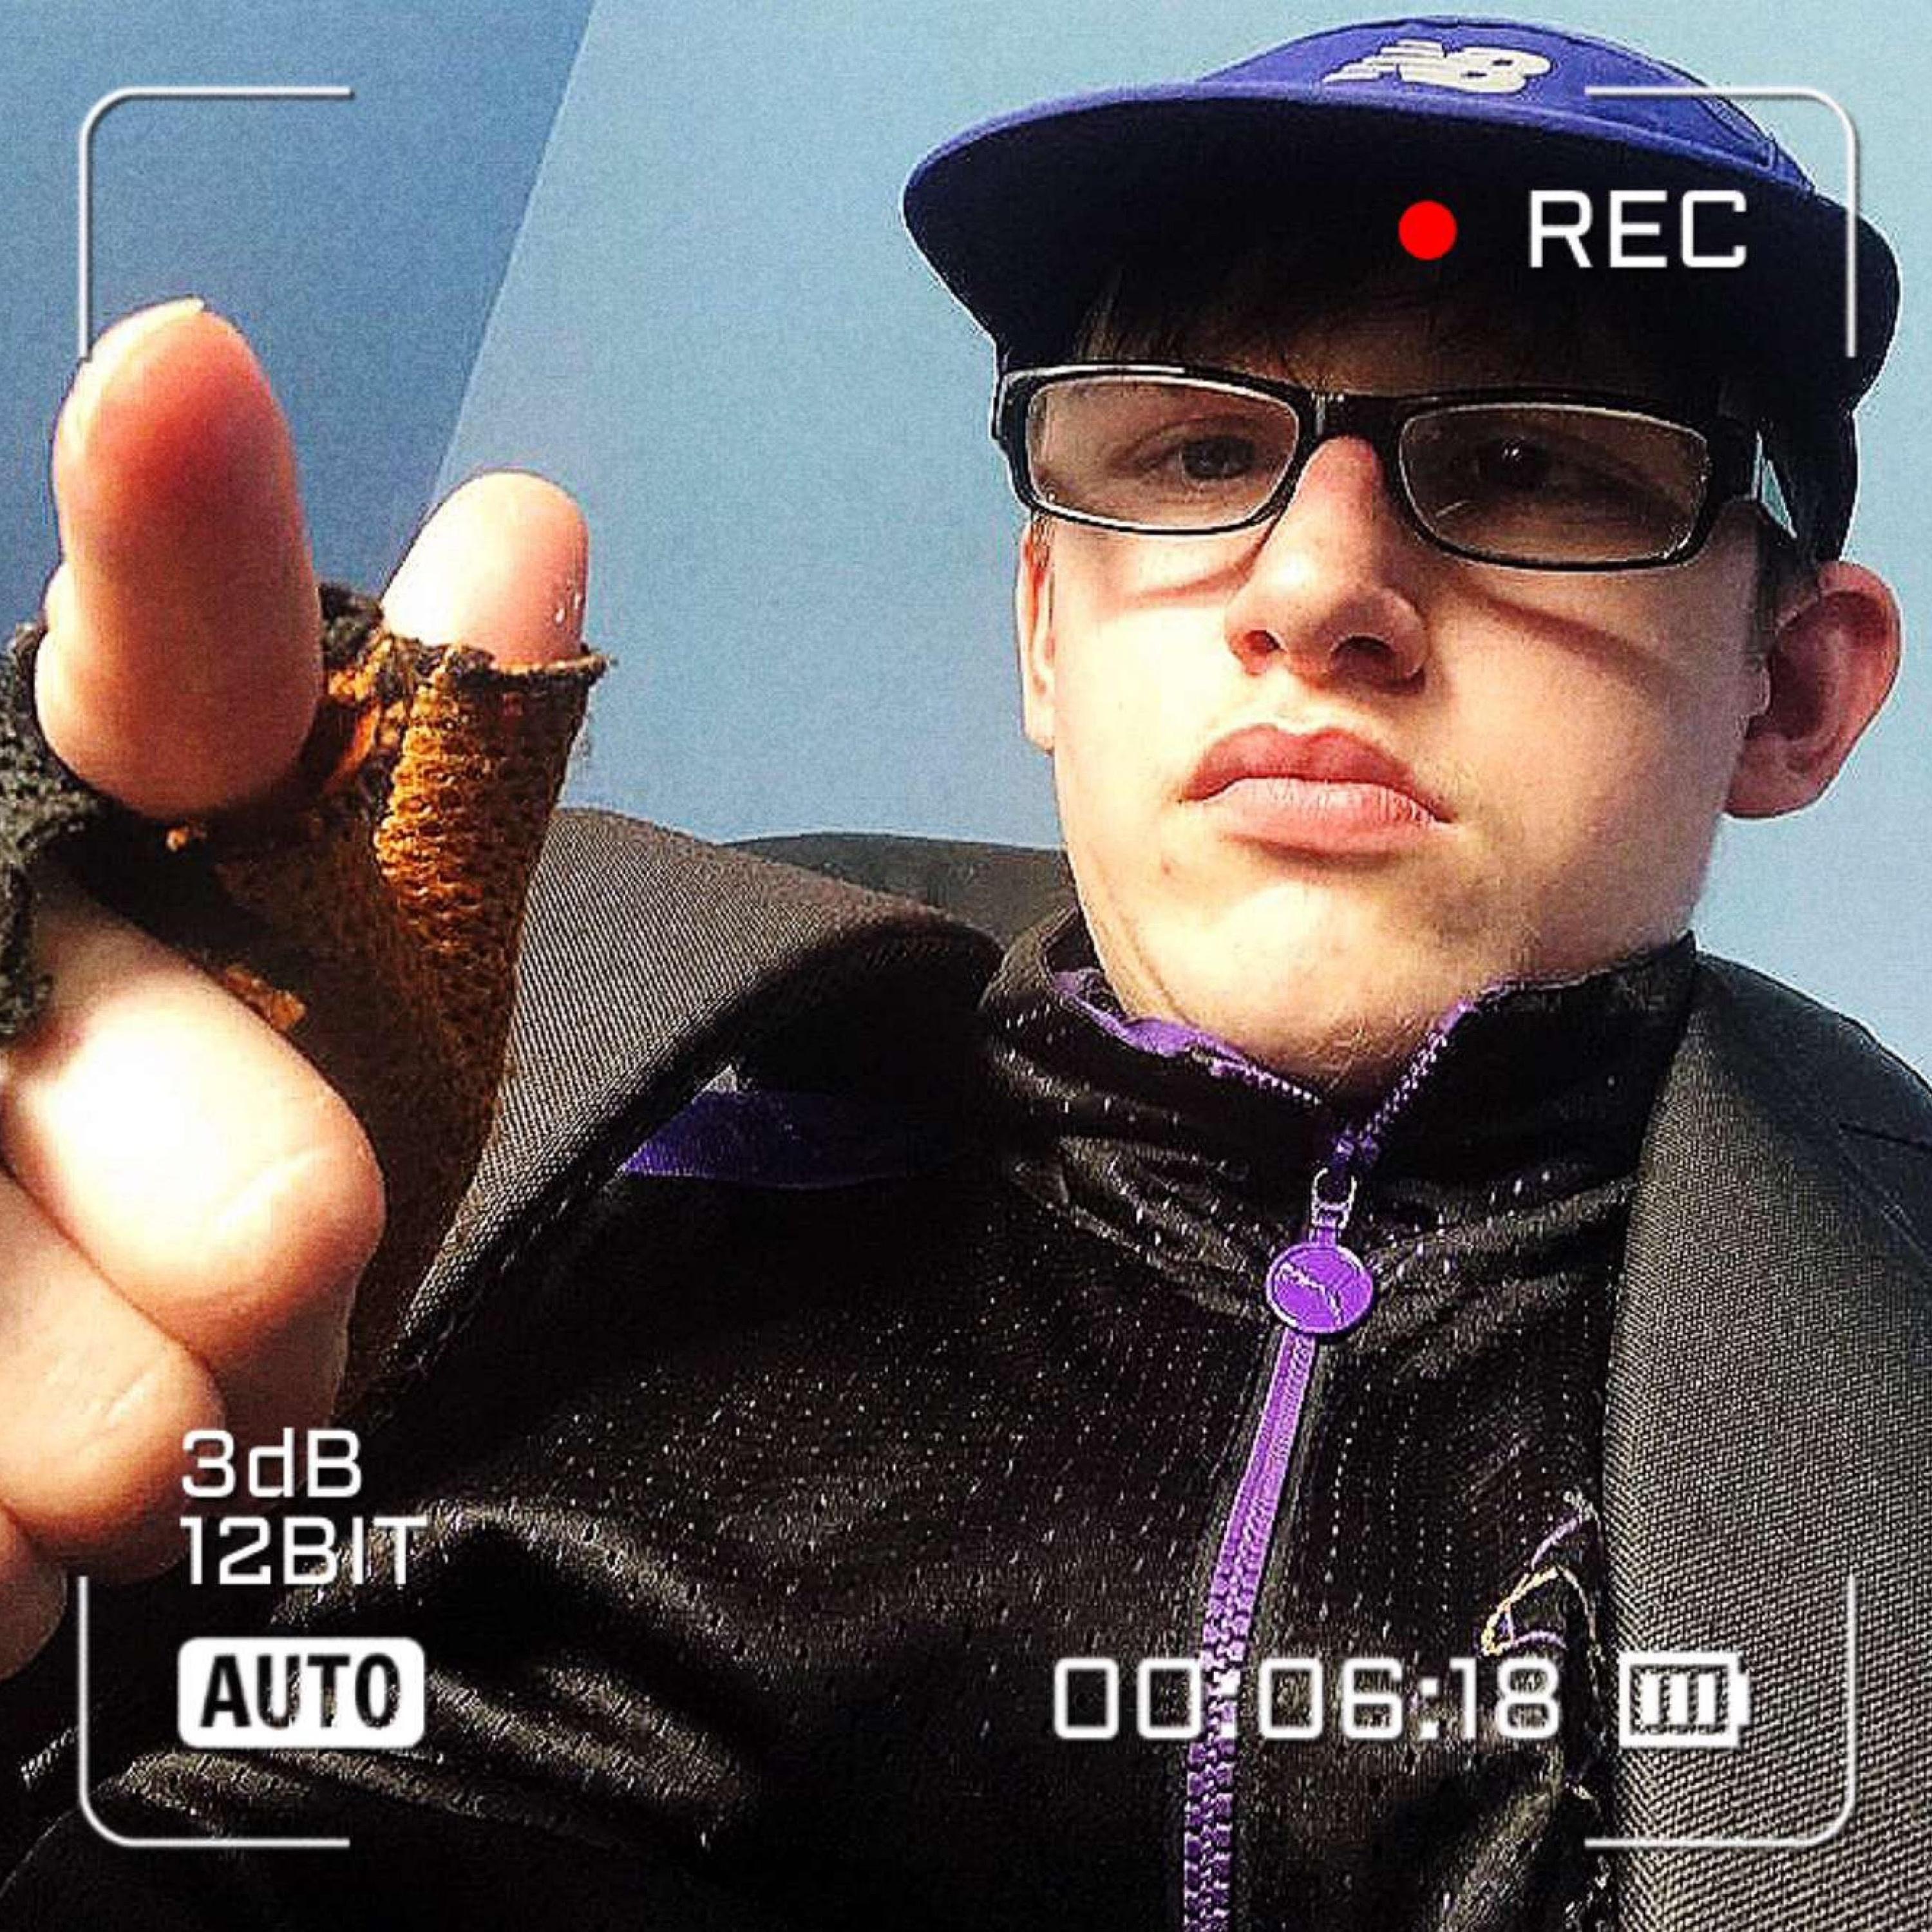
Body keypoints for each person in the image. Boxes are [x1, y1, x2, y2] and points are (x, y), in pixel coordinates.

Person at [0, 15, 1925, 1931]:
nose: (1311, 590)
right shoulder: (477, 1042)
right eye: (1196, 450)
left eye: (1525, 465)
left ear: (1794, 689)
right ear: (1045, 635)